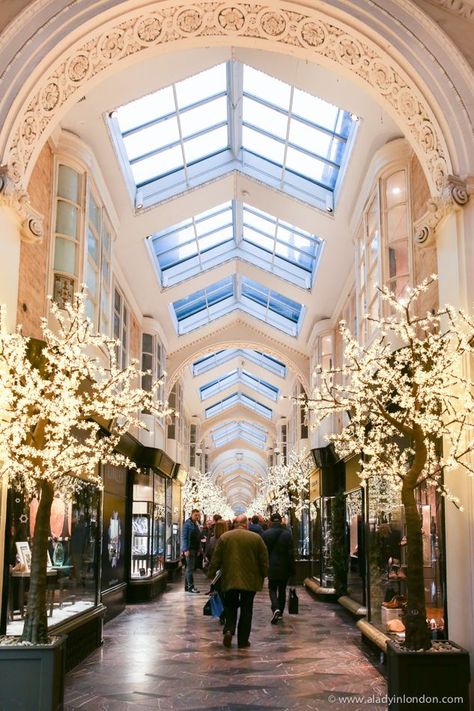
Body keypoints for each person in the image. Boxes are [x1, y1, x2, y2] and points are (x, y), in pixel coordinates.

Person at [208, 514, 269, 649]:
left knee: (230, 606)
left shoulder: (225, 537)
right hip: (250, 580)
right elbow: (263, 559)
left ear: (235, 524)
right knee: (247, 610)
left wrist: (211, 574)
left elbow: (216, 558)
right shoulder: (256, 538)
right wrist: (264, 574)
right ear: (246, 524)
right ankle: (243, 640)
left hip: (230, 578)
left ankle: (229, 629)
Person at [262, 512, 295, 624]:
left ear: (270, 521)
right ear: (281, 521)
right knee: (282, 589)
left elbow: (263, 552)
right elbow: (291, 553)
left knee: (272, 588)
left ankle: (275, 608)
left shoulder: (265, 534)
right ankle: (280, 612)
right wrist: (292, 568)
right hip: (284, 566)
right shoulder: (288, 534)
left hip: (271, 565)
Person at [181, 508, 201, 593]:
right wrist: (185, 549)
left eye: (198, 515)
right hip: (190, 549)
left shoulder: (195, 524)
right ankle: (190, 587)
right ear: (191, 514)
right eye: (195, 515)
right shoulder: (187, 524)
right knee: (190, 568)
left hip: (194, 549)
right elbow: (184, 537)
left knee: (189, 568)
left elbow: (198, 537)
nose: (197, 517)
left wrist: (199, 548)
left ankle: (187, 586)